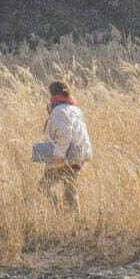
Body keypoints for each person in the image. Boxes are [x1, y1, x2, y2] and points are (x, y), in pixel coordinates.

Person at [38, 80, 92, 213]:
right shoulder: (75, 109)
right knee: (70, 191)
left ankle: (59, 212)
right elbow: (83, 134)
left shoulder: (58, 111)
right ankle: (75, 221)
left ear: (53, 94)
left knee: (43, 186)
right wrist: (85, 155)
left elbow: (64, 135)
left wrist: (57, 156)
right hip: (77, 156)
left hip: (63, 158)